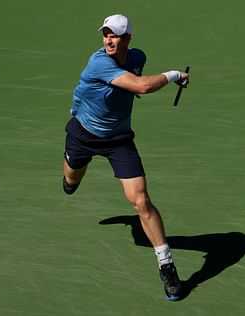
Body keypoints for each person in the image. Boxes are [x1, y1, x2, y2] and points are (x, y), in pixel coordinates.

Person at [62, 14, 189, 301]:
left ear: (127, 38)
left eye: (115, 35)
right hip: (82, 134)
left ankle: (166, 267)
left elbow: (135, 83)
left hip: (119, 140)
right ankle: (70, 177)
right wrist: (173, 75)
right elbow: (142, 86)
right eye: (105, 34)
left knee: (142, 201)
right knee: (71, 181)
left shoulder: (137, 57)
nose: (108, 39)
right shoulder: (99, 63)